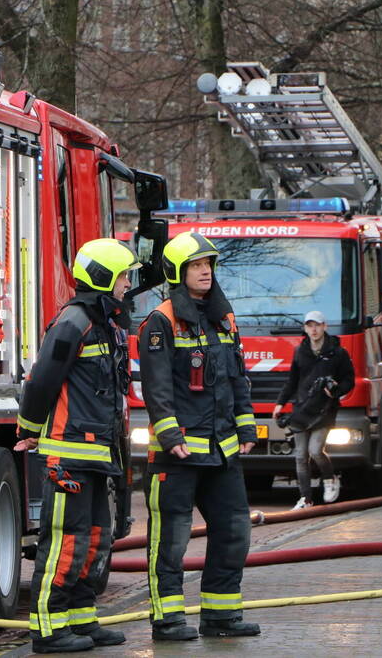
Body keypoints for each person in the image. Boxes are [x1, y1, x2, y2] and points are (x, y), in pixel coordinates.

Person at [14, 238, 139, 654]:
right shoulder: (73, 322)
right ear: (102, 277)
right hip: (69, 452)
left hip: (98, 453)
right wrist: (29, 428)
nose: (126, 284)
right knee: (66, 540)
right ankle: (48, 629)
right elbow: (43, 379)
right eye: (122, 276)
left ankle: (82, 618)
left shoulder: (105, 323)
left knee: (95, 538)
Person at [137, 231, 260, 641]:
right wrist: (170, 435)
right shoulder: (161, 321)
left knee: (234, 529)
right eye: (196, 265)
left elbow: (236, 377)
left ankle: (221, 616)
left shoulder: (224, 318)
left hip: (222, 452)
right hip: (178, 455)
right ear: (177, 271)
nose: (205, 270)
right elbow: (156, 387)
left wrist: (246, 423)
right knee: (170, 541)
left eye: (208, 263)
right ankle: (168, 619)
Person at [273, 310, 355, 510]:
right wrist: (280, 403)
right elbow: (292, 380)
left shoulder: (338, 353)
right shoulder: (300, 352)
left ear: (325, 326)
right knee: (300, 455)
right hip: (302, 409)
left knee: (315, 450)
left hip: (324, 410)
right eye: (310, 326)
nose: (314, 329)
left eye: (317, 325)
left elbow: (349, 380)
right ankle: (305, 499)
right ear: (305, 329)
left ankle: (330, 480)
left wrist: (335, 391)